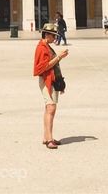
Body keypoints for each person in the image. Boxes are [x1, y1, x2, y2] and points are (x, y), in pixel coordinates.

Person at [33, 22, 69, 150]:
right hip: (46, 81)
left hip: (52, 80)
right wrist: (59, 57)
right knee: (51, 108)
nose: (55, 38)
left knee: (49, 109)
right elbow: (41, 68)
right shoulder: (41, 48)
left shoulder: (47, 46)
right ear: (47, 35)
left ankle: (46, 136)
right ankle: (49, 140)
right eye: (53, 36)